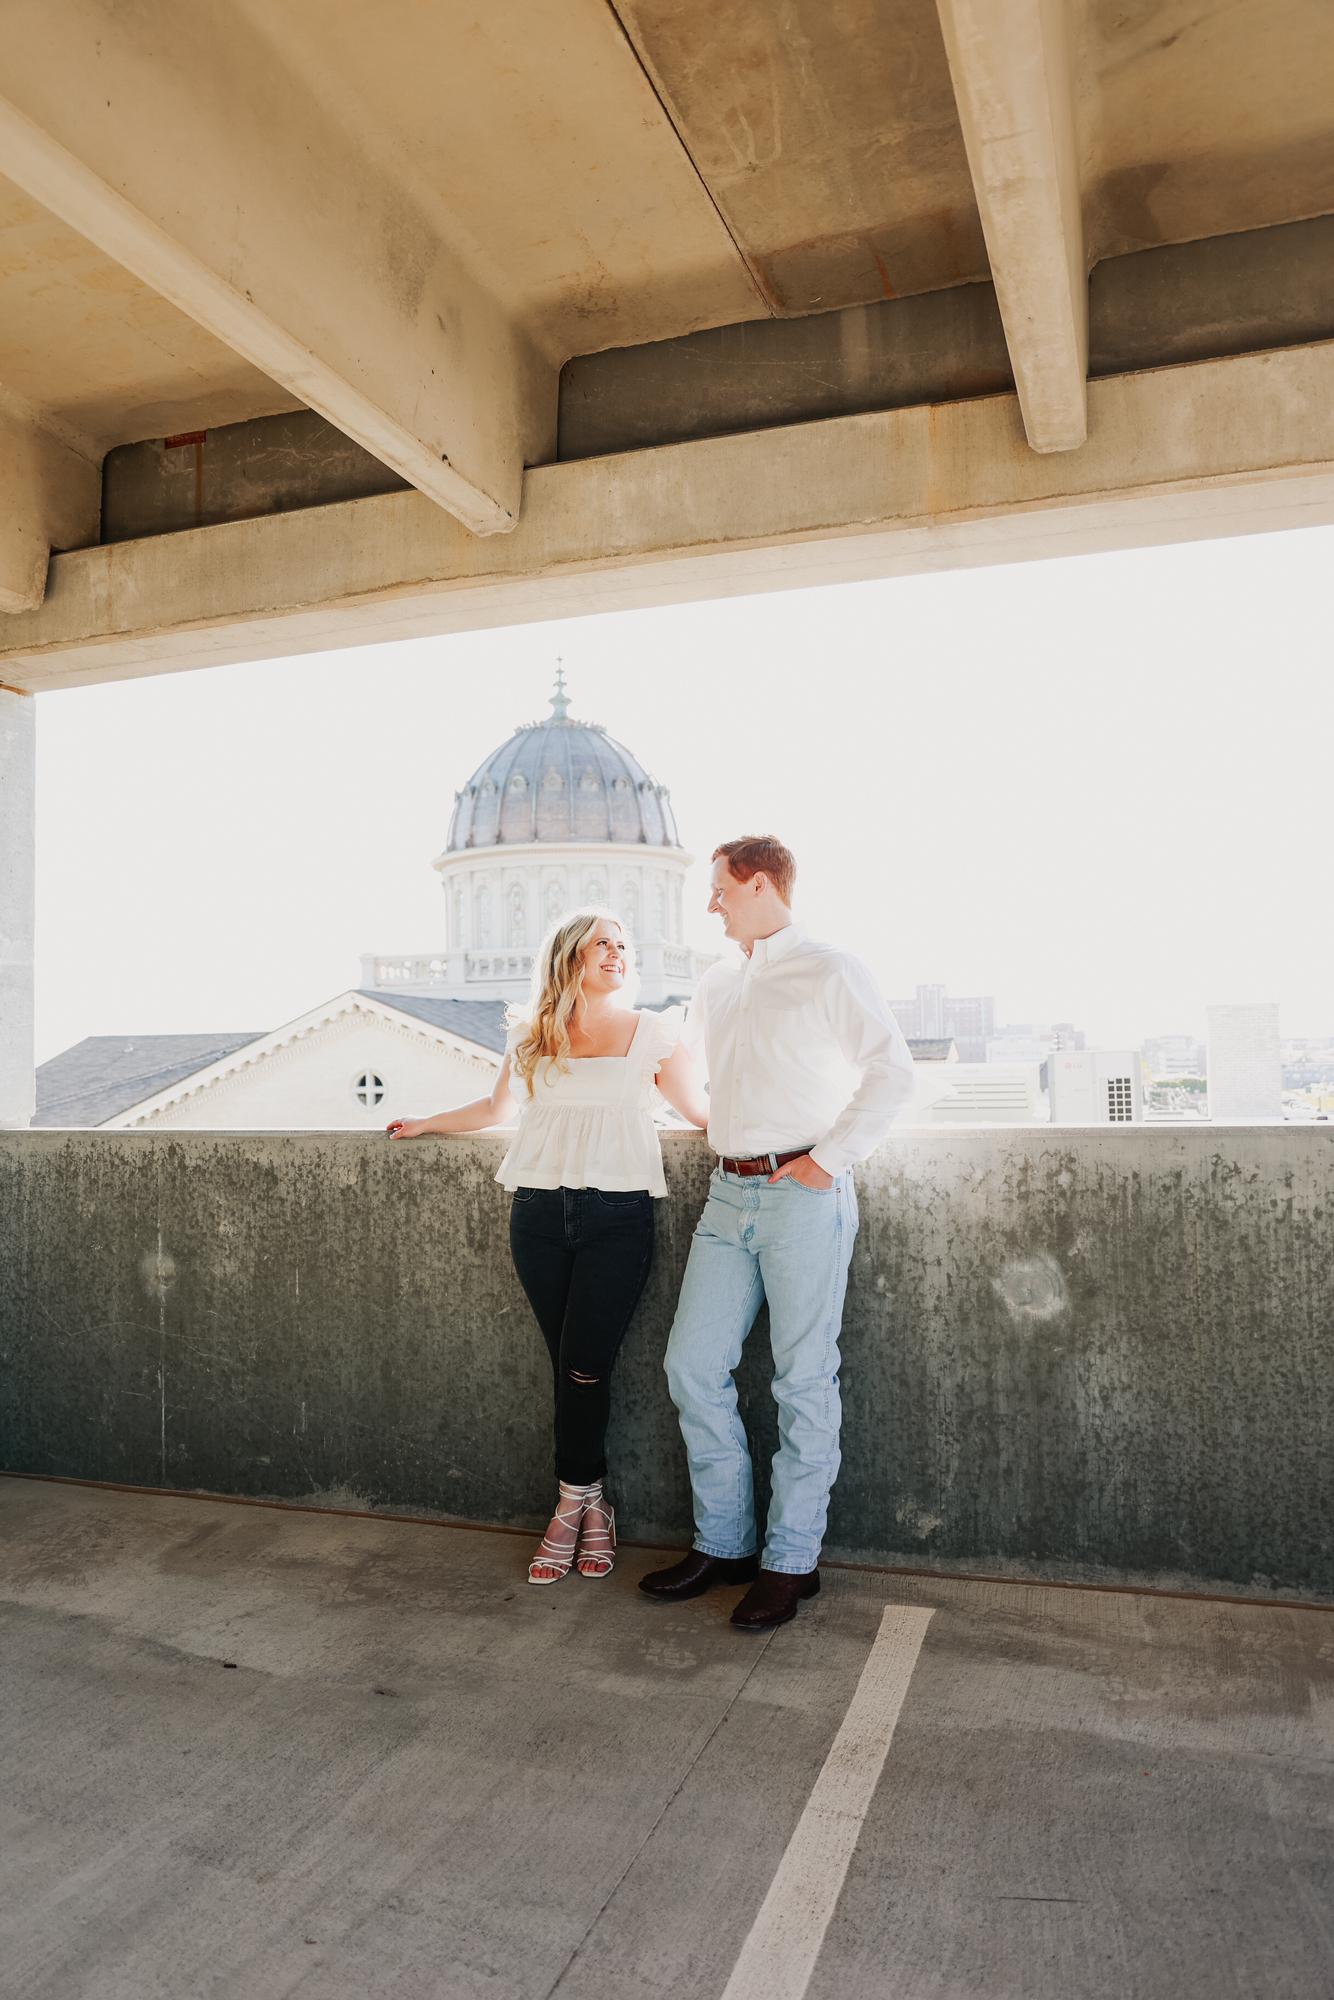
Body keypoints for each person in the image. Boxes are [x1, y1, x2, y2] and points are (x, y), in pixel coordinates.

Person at [640, 836, 915, 1630]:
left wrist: (827, 1161)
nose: (711, 905)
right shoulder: (717, 980)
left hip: (803, 1196)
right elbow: (687, 1068)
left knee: (802, 1381)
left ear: (760, 885)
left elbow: (892, 1071)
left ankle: (790, 1562)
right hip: (726, 1194)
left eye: (720, 891)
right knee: (692, 1365)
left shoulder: (830, 968)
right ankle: (724, 1545)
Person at [388, 910, 708, 1585]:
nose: (617, 953)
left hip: (617, 1217)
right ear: (570, 958)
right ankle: (592, 1506)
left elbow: (702, 1114)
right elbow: (494, 1110)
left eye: (623, 944)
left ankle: (569, 1507)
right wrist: (423, 1123)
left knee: (585, 1369)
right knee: (565, 1366)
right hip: (536, 1214)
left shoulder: (655, 1034)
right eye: (602, 945)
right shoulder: (532, 1035)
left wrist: (790, 1139)